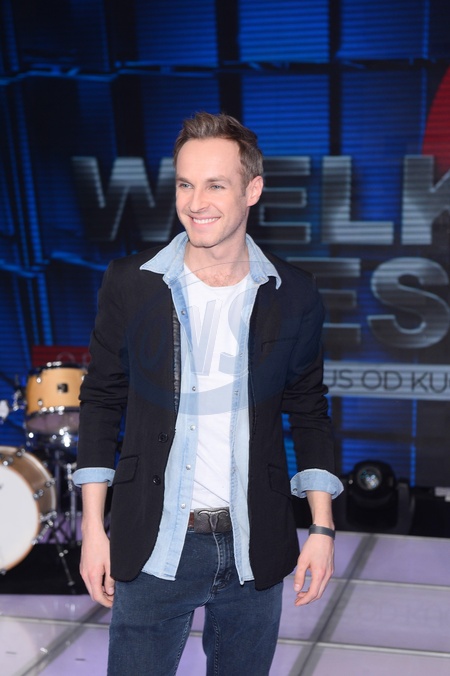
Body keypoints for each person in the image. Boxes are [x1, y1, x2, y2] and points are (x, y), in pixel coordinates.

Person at [73, 111, 343, 675]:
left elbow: (309, 409)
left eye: (215, 185)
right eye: (185, 184)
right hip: (153, 545)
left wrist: (321, 527)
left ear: (253, 190)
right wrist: (92, 527)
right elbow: (100, 401)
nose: (196, 203)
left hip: (254, 548)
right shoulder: (131, 283)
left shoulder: (292, 293)